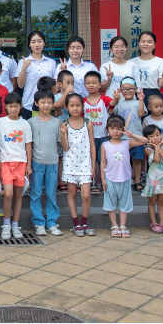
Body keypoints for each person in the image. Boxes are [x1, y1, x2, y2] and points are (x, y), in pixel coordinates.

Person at [100, 115, 149, 238]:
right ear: (107, 129)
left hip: (125, 178)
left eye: (118, 128)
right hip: (110, 178)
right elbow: (103, 162)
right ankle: (114, 226)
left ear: (122, 129)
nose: (115, 131)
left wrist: (131, 135)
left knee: (124, 203)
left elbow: (145, 141)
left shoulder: (127, 143)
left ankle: (123, 226)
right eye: (112, 128)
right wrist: (103, 178)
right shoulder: (105, 145)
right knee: (111, 204)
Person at [0, 93, 32, 240]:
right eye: (10, 106)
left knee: (18, 195)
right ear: (6, 107)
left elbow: (28, 144)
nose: (13, 109)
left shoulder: (25, 124)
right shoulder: (0, 122)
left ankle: (15, 224)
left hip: (21, 162)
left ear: (21, 107)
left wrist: (29, 164)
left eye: (16, 106)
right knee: (8, 194)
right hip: (5, 162)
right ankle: (6, 223)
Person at [60, 93, 96, 236]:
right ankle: (76, 223)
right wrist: (62, 134)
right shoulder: (64, 124)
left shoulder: (88, 124)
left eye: (78, 105)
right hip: (70, 163)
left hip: (85, 164)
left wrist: (93, 166)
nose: (75, 108)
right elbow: (65, 148)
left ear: (82, 106)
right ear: (66, 107)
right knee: (72, 193)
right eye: (72, 105)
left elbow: (92, 145)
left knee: (86, 195)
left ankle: (85, 222)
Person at [28, 90, 63, 236]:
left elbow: (59, 143)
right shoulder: (31, 122)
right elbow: (29, 145)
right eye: (43, 102)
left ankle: (52, 223)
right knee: (35, 194)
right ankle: (38, 223)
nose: (46, 105)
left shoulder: (56, 122)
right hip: (37, 163)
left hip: (53, 163)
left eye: (49, 102)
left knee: (51, 194)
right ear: (36, 103)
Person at [83, 71, 120, 193]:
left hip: (104, 136)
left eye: (94, 83)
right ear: (84, 85)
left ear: (100, 85)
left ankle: (106, 183)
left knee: (103, 160)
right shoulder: (82, 101)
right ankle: (92, 183)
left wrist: (116, 99)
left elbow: (112, 103)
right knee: (90, 161)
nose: (91, 85)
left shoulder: (104, 98)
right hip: (89, 137)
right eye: (88, 83)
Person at [141, 124, 163, 234]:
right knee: (152, 201)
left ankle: (162, 223)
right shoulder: (147, 149)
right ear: (147, 139)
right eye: (151, 136)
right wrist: (156, 147)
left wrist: (159, 146)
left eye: (157, 135)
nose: (155, 138)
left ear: (161, 135)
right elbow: (157, 159)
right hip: (153, 180)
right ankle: (154, 223)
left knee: (161, 202)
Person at [113, 79, 147, 192]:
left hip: (136, 137)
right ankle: (124, 180)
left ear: (136, 89)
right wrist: (115, 100)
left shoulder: (138, 102)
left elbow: (141, 114)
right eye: (125, 89)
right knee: (122, 161)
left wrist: (141, 100)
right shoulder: (119, 103)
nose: (127, 91)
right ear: (120, 90)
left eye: (131, 88)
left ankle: (137, 182)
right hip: (121, 138)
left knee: (137, 160)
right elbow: (111, 114)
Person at [132, 31, 163, 116]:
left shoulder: (160, 62)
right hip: (134, 95)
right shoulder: (132, 62)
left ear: (154, 45)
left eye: (149, 42)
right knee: (135, 121)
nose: (146, 44)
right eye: (143, 41)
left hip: (153, 96)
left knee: (154, 122)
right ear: (139, 44)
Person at [16, 31, 57, 120]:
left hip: (47, 105)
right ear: (29, 45)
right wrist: (24, 68)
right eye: (33, 42)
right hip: (28, 104)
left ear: (44, 43)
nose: (37, 45)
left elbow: (55, 85)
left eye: (39, 41)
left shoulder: (51, 62)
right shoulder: (22, 62)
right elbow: (20, 85)